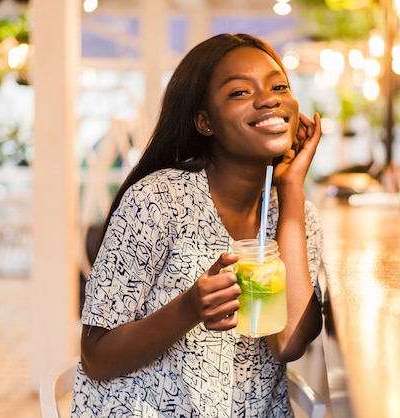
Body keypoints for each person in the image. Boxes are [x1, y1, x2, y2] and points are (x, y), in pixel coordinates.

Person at [71, 33, 324, 417]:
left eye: (279, 86)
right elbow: (95, 357)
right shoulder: (157, 200)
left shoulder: (296, 215)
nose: (269, 98)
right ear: (205, 122)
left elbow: (288, 343)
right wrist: (190, 307)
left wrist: (291, 190)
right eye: (239, 92)